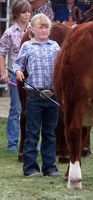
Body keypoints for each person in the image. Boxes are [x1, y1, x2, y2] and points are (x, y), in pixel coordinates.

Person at [13, 13, 60, 177]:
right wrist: (18, 71)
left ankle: (50, 167)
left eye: (47, 27)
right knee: (32, 132)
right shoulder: (27, 46)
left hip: (52, 95)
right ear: (32, 29)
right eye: (40, 27)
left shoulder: (55, 46)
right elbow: (17, 63)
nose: (44, 30)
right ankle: (31, 168)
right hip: (34, 95)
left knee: (50, 133)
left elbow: (62, 66)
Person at [0, 0, 31, 152]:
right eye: (24, 12)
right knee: (16, 109)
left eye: (29, 12)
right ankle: (12, 144)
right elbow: (1, 53)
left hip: (32, 76)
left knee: (32, 110)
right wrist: (3, 73)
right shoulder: (10, 32)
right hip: (15, 74)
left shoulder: (33, 30)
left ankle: (30, 142)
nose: (27, 15)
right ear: (17, 14)